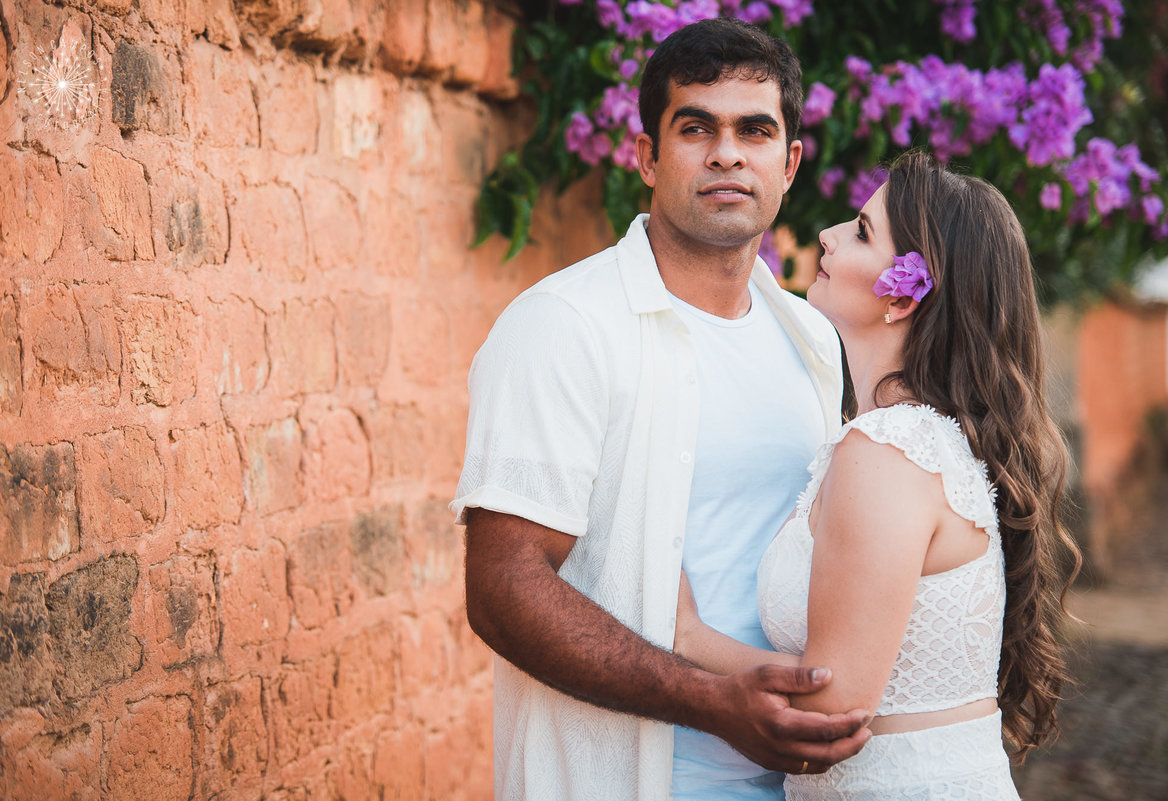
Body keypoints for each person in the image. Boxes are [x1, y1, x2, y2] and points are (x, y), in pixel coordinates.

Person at [453, 17, 871, 801]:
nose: (726, 154)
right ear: (646, 156)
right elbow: (503, 586)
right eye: (696, 127)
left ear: (789, 163)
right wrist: (713, 703)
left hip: (804, 784)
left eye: (754, 130)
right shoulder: (566, 326)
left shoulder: (811, 336)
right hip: (627, 781)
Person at [674, 149, 1082, 799]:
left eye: (862, 231)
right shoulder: (910, 439)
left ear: (903, 295)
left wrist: (689, 635)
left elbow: (831, 707)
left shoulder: (888, 450)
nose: (828, 235)